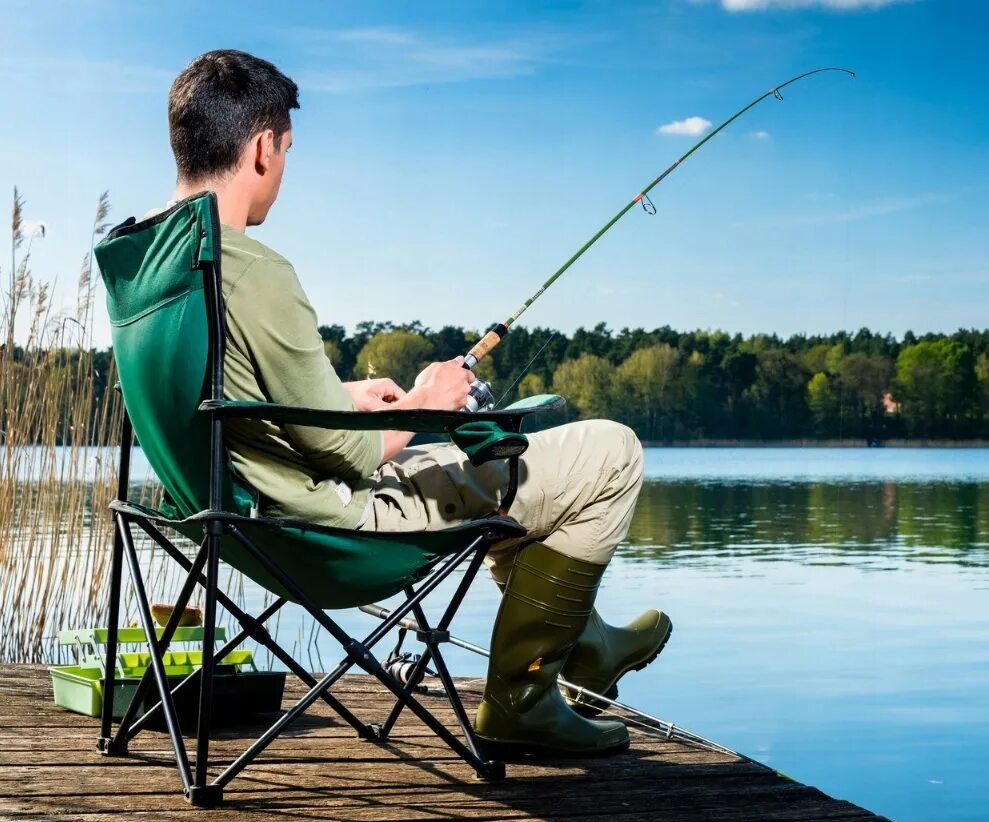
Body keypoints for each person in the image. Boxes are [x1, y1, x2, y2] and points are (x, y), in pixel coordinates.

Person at [164, 49, 671, 756]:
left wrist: (338, 396)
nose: (282, 167)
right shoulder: (253, 269)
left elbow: (218, 397)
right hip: (333, 530)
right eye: (285, 149)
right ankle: (525, 695)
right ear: (259, 149)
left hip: (234, 518)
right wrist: (428, 398)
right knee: (609, 452)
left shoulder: (148, 258)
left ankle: (584, 644)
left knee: (499, 462)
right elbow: (345, 453)